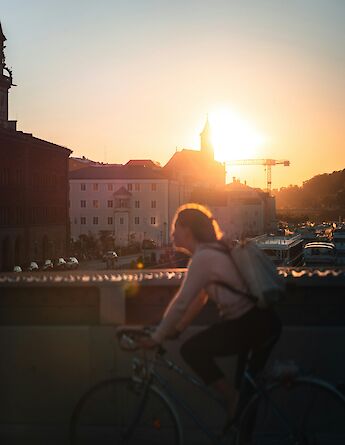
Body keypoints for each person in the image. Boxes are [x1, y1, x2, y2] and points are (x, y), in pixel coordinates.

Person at [140, 203, 281, 420]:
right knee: (245, 400)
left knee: (192, 351)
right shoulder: (213, 251)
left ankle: (236, 397)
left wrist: (157, 336)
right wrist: (177, 328)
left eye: (176, 226)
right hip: (257, 322)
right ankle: (240, 416)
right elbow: (200, 299)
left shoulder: (203, 258)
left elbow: (182, 302)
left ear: (187, 230)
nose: (172, 232)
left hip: (250, 324)